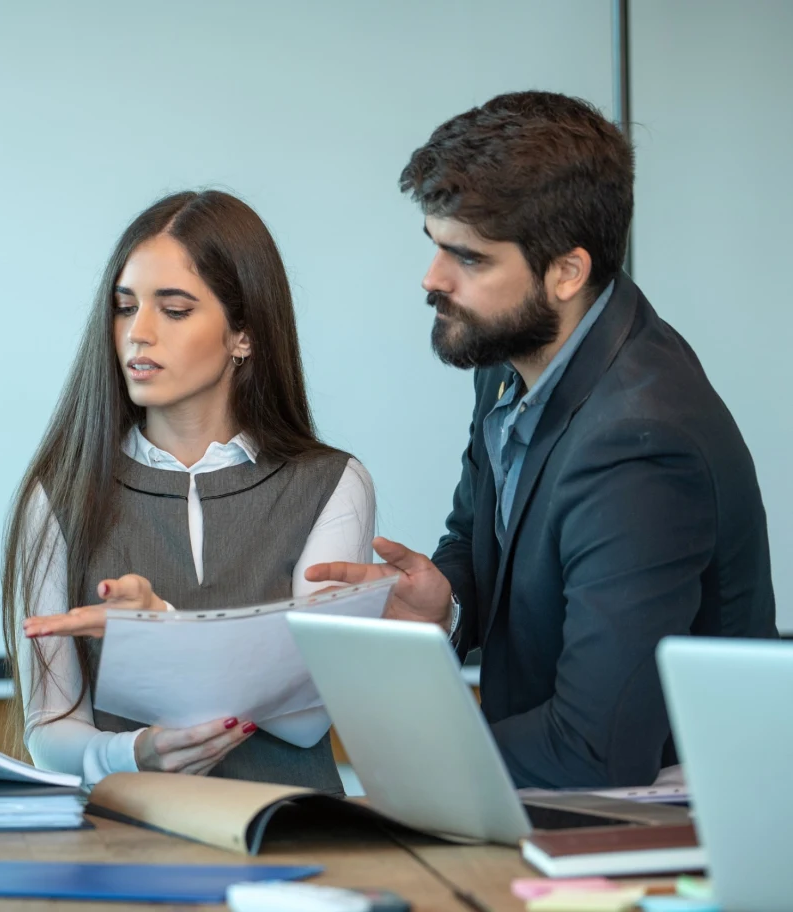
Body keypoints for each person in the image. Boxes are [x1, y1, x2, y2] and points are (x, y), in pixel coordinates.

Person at [306, 91, 776, 789]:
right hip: (551, 799)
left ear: (567, 271)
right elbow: (477, 534)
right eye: (434, 246)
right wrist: (450, 601)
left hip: (652, 830)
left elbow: (595, 748)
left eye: (468, 258)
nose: (432, 280)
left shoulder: (640, 445)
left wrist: (396, 761)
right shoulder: (509, 359)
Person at [2, 190, 374, 791]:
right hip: (123, 848)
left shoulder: (332, 483)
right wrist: (132, 753)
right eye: (125, 308)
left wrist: (163, 631)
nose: (138, 335)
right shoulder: (58, 495)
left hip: (290, 841)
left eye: (173, 310)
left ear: (244, 334)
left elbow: (307, 717)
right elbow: (50, 731)